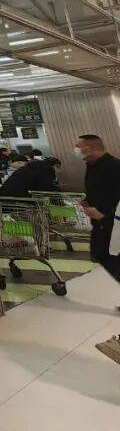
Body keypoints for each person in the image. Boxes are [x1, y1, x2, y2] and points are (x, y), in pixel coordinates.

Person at [75, 135, 120, 363]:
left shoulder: (114, 166)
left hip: (113, 225)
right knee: (100, 256)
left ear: (90, 147)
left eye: (79, 146)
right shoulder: (91, 166)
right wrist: (87, 201)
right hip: (101, 224)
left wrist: (105, 214)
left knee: (109, 257)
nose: (76, 149)